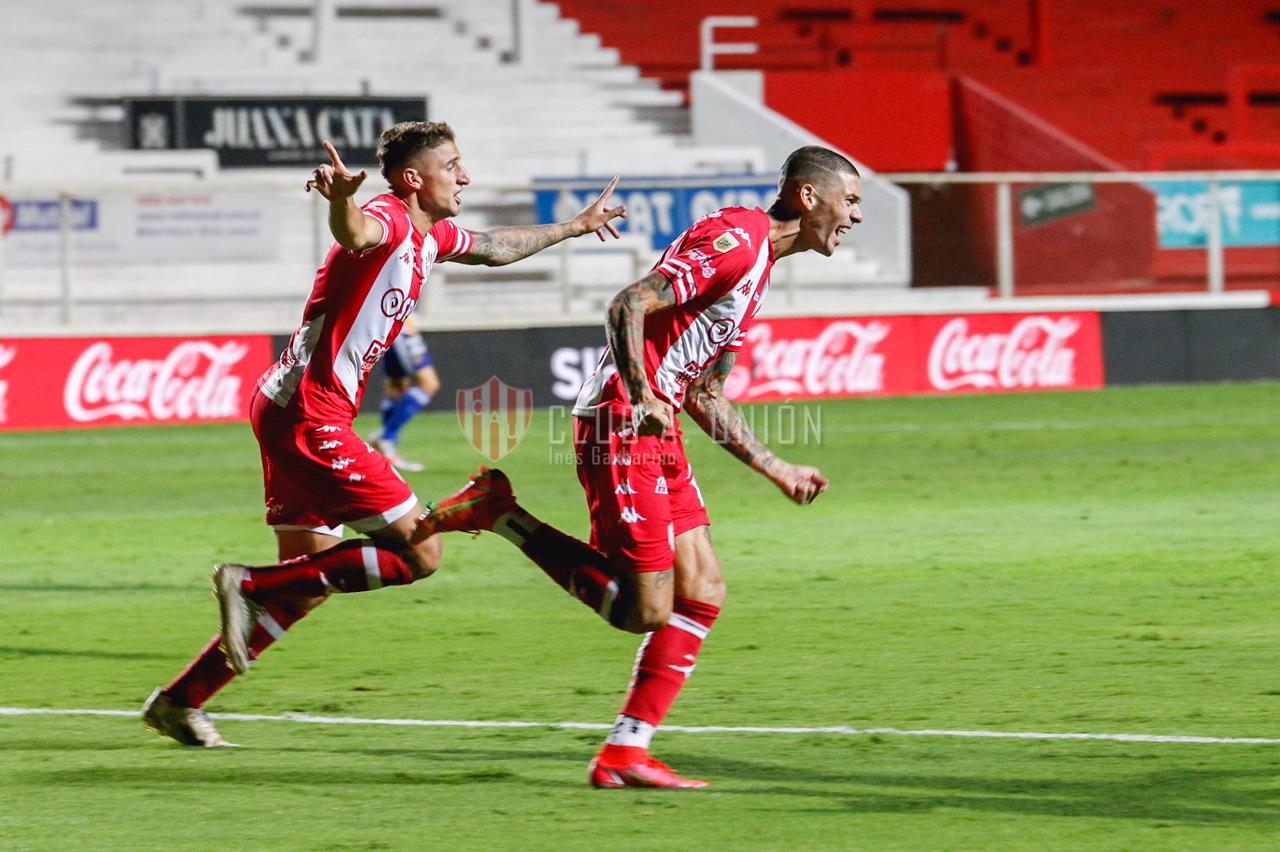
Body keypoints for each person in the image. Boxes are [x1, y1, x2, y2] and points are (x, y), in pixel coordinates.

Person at [142, 121, 626, 747]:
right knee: (420, 551)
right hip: (310, 416)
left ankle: (180, 701)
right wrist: (343, 199)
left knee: (311, 579)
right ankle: (251, 584)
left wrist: (573, 227)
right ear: (413, 179)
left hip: (293, 408)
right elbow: (356, 232)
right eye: (453, 165)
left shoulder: (432, 235)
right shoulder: (388, 218)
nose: (466, 176)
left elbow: (495, 246)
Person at [419, 145, 862, 788]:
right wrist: (644, 392)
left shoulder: (759, 266)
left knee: (704, 587)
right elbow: (628, 303)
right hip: (622, 422)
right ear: (807, 196)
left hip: (659, 430)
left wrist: (775, 467)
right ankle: (498, 512)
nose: (854, 217)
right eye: (849, 201)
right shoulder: (737, 239)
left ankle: (626, 751)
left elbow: (705, 391)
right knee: (644, 610)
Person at [369, 312, 438, 472]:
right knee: (429, 383)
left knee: (397, 387)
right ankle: (386, 438)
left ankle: (386, 449)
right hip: (402, 325)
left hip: (394, 323)